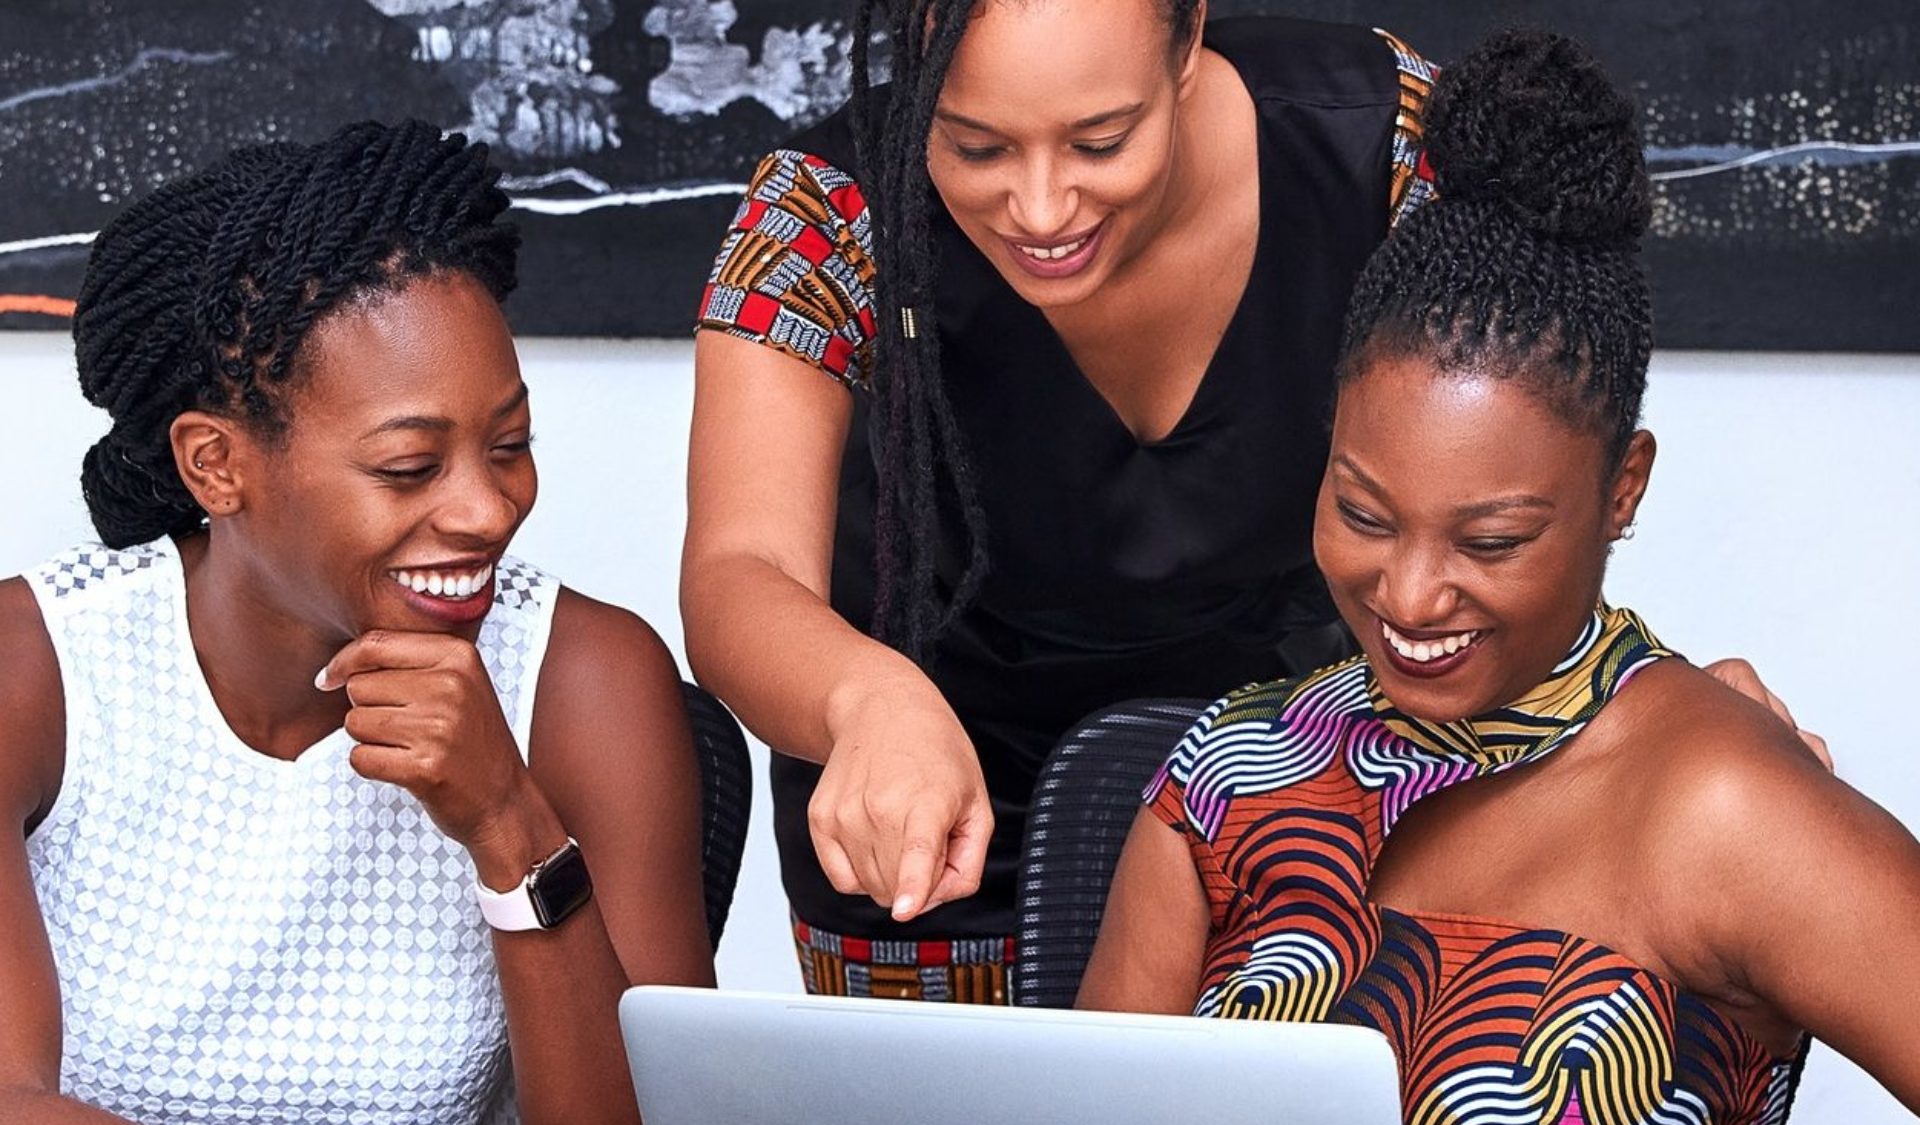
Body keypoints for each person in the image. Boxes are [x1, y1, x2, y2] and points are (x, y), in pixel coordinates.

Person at [684, 0, 1816, 1005]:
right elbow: (740, 574)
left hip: (1290, 813)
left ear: (1189, 41)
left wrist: (1643, 710)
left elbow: (1524, 451)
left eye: (1100, 139)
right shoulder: (826, 217)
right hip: (927, 833)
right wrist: (865, 700)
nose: (1038, 205)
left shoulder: (1375, 145)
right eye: (972, 146)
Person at [1078, 30, 1919, 1125]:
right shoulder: (1229, 770)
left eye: (1494, 538)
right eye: (1364, 512)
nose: (1408, 592)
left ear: (1621, 487)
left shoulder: (1725, 803)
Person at [0, 121, 735, 1125]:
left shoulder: (585, 678)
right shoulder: (34, 670)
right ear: (215, 465)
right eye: (410, 466)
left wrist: (511, 827)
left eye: (510, 444)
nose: (486, 510)